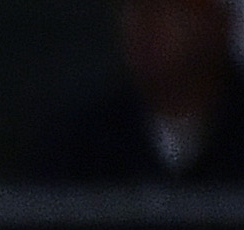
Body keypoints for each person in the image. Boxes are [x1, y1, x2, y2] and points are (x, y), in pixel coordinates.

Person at [32, 0, 244, 181]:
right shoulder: (83, 138)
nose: (146, 27)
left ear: (217, 22)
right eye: (135, 10)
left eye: (167, 11)